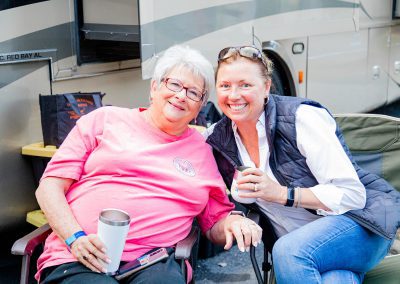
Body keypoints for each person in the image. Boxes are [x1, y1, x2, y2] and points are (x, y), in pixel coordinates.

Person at [35, 45, 262, 284]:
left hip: (154, 262)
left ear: (199, 107)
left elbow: (214, 221)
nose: (181, 95)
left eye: (194, 93)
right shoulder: (104, 120)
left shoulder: (204, 149)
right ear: (154, 87)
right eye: (174, 84)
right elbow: (49, 187)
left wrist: (234, 222)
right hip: (80, 254)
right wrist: (75, 238)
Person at [204, 46, 400, 283]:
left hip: (359, 226)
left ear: (266, 87)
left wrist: (282, 194)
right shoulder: (218, 139)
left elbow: (352, 195)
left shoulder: (301, 118)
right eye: (225, 86)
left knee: (289, 251)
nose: (234, 95)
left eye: (245, 85)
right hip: (302, 246)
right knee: (336, 279)